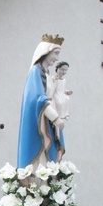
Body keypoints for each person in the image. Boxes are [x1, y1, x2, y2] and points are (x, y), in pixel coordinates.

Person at [17, 34, 66, 169]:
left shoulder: (46, 73)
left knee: (49, 159)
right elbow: (38, 98)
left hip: (48, 120)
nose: (57, 58)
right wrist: (55, 118)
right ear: (46, 51)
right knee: (40, 159)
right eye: (55, 53)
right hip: (41, 122)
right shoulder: (35, 71)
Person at [47, 61, 72, 138]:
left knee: (67, 99)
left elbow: (63, 89)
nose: (63, 72)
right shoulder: (54, 78)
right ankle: (59, 117)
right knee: (59, 102)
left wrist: (67, 92)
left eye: (65, 70)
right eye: (62, 69)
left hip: (62, 94)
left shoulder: (64, 80)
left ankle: (65, 114)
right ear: (57, 69)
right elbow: (51, 87)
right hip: (55, 95)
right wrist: (54, 80)